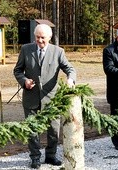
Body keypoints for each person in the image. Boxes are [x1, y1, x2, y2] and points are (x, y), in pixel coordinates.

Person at [14, 24, 76, 169]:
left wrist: (70, 79)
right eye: (37, 37)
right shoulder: (26, 49)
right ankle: (35, 157)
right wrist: (24, 81)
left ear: (49, 37)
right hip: (31, 97)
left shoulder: (58, 51)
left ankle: (51, 156)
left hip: (51, 98)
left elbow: (70, 68)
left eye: (43, 38)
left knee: (54, 130)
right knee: (32, 129)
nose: (40, 40)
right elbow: (17, 70)